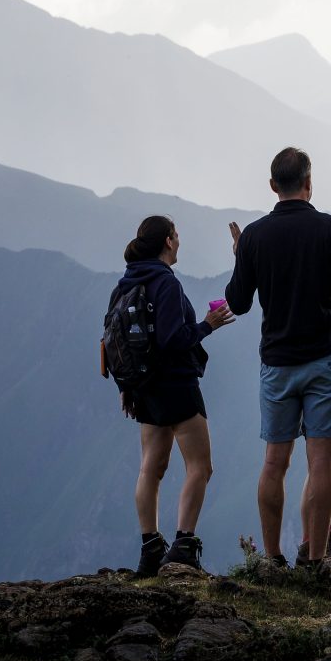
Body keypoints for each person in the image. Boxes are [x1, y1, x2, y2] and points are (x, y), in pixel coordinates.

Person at [225, 147, 331, 575]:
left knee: (274, 461)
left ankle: (270, 560)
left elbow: (237, 301)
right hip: (326, 360)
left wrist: (243, 256)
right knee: (320, 460)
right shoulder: (329, 230)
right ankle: (313, 562)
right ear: (309, 183)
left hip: (277, 364)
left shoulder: (254, 236)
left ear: (273, 186)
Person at [111, 215, 235, 576]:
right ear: (167, 240)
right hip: (177, 385)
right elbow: (171, 339)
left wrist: (127, 386)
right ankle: (183, 546)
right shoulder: (165, 281)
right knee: (200, 465)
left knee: (151, 467)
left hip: (144, 388)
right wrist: (207, 326)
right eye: (176, 235)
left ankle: (150, 548)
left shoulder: (126, 282)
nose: (179, 241)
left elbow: (114, 339)